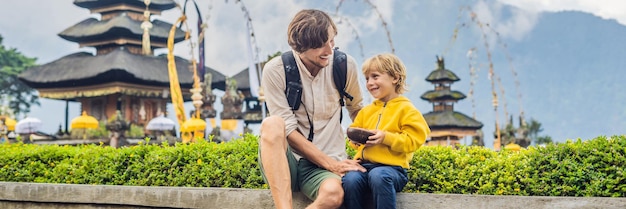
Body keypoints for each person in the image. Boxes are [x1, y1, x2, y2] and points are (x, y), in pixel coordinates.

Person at [258, 9, 366, 209]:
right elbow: (288, 130)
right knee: (273, 124)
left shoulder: (344, 66)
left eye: (331, 41)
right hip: (286, 161)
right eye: (320, 45)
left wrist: (373, 140)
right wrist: (330, 164)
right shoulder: (275, 70)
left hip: (321, 167)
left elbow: (357, 109)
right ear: (300, 47)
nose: (329, 50)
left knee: (333, 195)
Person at [342, 53, 431, 209]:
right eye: (367, 78)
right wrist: (354, 140)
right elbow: (355, 141)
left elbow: (413, 141)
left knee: (379, 176)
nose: (370, 83)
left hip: (393, 170)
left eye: (375, 77)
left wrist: (386, 137)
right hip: (365, 167)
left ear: (395, 78)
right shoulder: (366, 111)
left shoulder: (407, 109)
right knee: (351, 180)